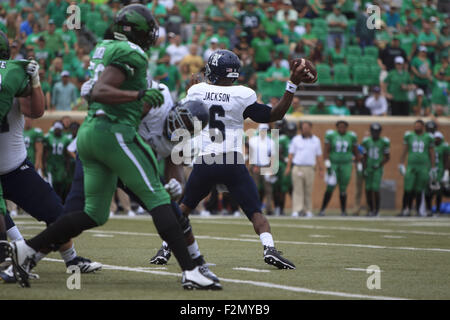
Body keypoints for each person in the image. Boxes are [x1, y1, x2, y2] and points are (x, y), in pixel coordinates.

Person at [0, 4, 220, 290]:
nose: (180, 128)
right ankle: (192, 270)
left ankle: (28, 250)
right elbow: (101, 91)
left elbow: (97, 89)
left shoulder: (106, 46)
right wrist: (139, 94)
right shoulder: (140, 66)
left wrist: (176, 184)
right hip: (113, 134)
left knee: (94, 213)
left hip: (95, 134)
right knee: (156, 198)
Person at [152, 50, 307, 270]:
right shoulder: (243, 94)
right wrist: (292, 84)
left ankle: (166, 248)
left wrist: (191, 93)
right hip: (232, 161)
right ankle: (269, 248)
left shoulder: (197, 90)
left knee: (184, 208)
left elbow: (184, 115)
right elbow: (275, 115)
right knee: (255, 212)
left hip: (205, 161)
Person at [0, 30, 100, 284]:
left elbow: (35, 110)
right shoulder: (10, 73)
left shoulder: (11, 77)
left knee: (57, 213)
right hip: (12, 164)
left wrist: (34, 83)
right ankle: (13, 257)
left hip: (14, 167)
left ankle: (70, 258)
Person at [319, 120, 362, 216]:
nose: (342, 128)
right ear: (337, 127)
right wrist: (327, 163)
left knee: (343, 188)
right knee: (330, 187)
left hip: (346, 164)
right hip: (334, 164)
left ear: (347, 127)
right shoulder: (331, 135)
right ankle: (322, 210)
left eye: (344, 126)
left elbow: (355, 151)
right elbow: (326, 150)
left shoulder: (351, 136)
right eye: (340, 126)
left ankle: (343, 211)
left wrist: (359, 163)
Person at [285, 121, 324, 217]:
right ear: (301, 129)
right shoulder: (296, 139)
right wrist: (288, 167)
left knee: (308, 189)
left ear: (311, 128)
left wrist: (321, 169)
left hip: (310, 168)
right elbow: (291, 154)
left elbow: (319, 156)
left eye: (307, 127)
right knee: (297, 189)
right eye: (303, 127)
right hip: (298, 167)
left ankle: (308, 210)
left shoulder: (316, 140)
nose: (305, 129)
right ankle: (297, 210)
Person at [398, 120, 436, 217]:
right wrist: (401, 163)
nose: (417, 127)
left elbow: (432, 153)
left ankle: (418, 210)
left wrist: (433, 167)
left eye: (419, 125)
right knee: (408, 188)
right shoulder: (409, 136)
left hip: (423, 167)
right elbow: (404, 150)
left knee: (419, 189)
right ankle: (405, 209)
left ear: (423, 127)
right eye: (415, 125)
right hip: (411, 166)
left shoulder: (428, 137)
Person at [361, 123, 390, 217]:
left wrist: (379, 164)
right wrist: (363, 168)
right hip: (368, 167)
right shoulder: (366, 141)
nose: (375, 133)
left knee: (375, 189)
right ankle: (371, 210)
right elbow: (364, 156)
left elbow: (387, 157)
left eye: (377, 132)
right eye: (373, 131)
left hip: (377, 168)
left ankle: (376, 210)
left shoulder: (384, 142)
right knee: (368, 189)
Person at [248, 123, 277, 216]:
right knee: (253, 188)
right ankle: (253, 207)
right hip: (255, 165)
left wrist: (271, 169)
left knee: (268, 189)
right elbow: (251, 154)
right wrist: (253, 165)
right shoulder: (253, 140)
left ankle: (269, 209)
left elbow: (272, 156)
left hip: (266, 166)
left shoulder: (271, 142)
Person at [425, 131, 449, 216]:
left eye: (438, 138)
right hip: (430, 170)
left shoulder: (444, 146)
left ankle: (438, 210)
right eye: (435, 138)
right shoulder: (430, 147)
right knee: (428, 191)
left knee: (439, 191)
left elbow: (446, 160)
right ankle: (428, 209)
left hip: (439, 171)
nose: (436, 140)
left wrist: (446, 172)